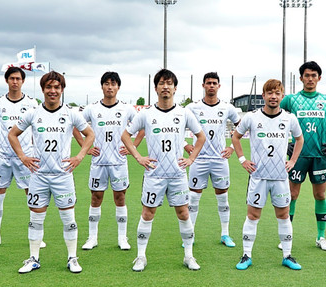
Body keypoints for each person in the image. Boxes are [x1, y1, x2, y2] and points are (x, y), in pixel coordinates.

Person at [9, 71, 95, 274]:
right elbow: (12, 134)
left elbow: (90, 134)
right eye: (49, 87)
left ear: (62, 90)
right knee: (36, 218)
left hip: (63, 175)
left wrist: (80, 155)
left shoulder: (71, 113)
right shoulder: (33, 113)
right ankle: (33, 258)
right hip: (39, 176)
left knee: (68, 219)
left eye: (57, 87)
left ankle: (72, 258)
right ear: (43, 89)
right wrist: (22, 156)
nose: (53, 91)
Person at [121, 68, 206, 271]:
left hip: (177, 174)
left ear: (175, 88)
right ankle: (141, 257)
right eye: (161, 83)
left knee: (184, 213)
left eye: (169, 83)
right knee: (148, 213)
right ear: (156, 88)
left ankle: (189, 256)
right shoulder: (146, 114)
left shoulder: (184, 113)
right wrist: (138, 156)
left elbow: (201, 136)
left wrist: (191, 158)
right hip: (154, 174)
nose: (165, 86)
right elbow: (125, 135)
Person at [232, 79, 304, 271]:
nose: (273, 96)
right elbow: (235, 137)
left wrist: (293, 161)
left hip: (280, 177)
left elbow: (299, 138)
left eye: (277, 93)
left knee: (283, 215)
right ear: (263, 96)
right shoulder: (252, 117)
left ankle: (287, 255)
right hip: (258, 177)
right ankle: (246, 255)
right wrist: (242, 160)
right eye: (269, 93)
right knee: (253, 215)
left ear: (282, 96)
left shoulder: (289, 118)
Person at [74, 71, 144, 251]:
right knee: (96, 198)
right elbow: (75, 126)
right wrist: (85, 148)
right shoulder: (92, 108)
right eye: (106, 83)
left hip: (119, 162)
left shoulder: (127, 109)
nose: (110, 87)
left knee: (120, 198)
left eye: (113, 83)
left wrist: (132, 147)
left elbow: (142, 127)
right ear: (102, 86)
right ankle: (92, 237)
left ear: (118, 87)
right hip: (98, 162)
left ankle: (122, 238)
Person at [279, 61, 326, 251]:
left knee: (320, 194)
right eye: (307, 75)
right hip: (297, 157)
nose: (310, 79)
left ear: (319, 78)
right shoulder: (291, 100)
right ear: (301, 78)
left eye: (314, 75)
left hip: (318, 156)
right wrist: (285, 143)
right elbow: (275, 117)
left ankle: (321, 237)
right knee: (292, 195)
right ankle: (286, 236)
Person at [0, 67, 42, 250]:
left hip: (26, 158)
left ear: (23, 81)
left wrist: (28, 150)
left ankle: (37, 236)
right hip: (3, 157)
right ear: (7, 81)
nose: (15, 81)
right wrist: (4, 144)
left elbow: (35, 129)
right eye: (12, 78)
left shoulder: (32, 103)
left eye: (18, 78)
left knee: (32, 196)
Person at [185, 72, 241, 247]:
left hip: (219, 160)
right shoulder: (191, 108)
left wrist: (231, 147)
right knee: (193, 198)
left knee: (223, 197)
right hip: (198, 160)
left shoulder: (227, 108)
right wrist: (185, 145)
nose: (211, 85)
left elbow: (242, 127)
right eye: (208, 83)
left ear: (219, 86)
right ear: (203, 85)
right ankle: (190, 234)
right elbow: (176, 128)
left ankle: (225, 234)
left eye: (214, 83)